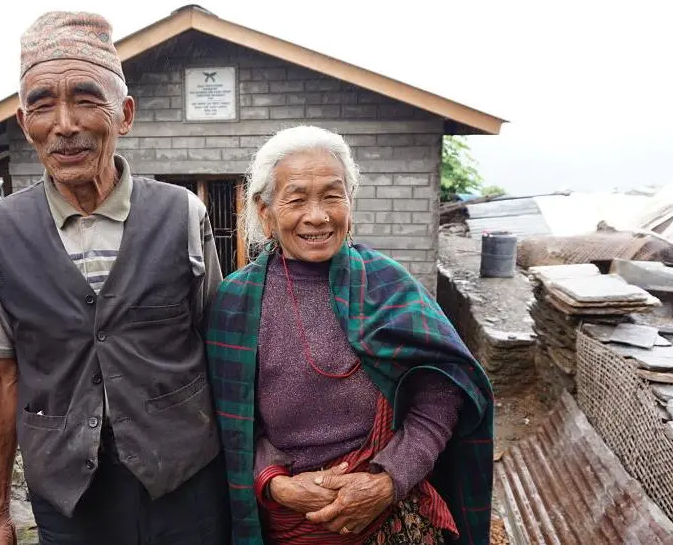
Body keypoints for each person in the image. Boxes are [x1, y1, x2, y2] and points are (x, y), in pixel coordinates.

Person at [0, 11, 230, 545]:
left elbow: (214, 346)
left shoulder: (182, 216)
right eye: (43, 105)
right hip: (68, 496)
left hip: (186, 483)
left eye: (84, 98)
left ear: (124, 114)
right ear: (22, 121)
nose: (65, 124)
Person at [204, 125, 494, 545]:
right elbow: (228, 421)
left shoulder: (387, 284)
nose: (317, 215)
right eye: (297, 199)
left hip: (390, 516)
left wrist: (389, 478)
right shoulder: (234, 302)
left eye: (332, 195)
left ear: (350, 203)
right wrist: (273, 482)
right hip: (288, 523)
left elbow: (443, 392)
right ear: (265, 213)